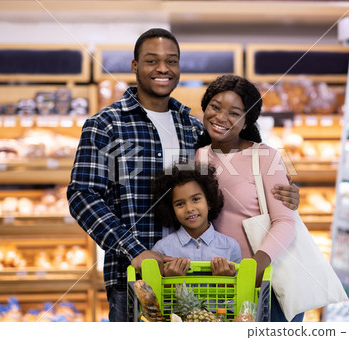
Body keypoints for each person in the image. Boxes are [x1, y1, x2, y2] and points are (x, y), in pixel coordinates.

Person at [67, 28, 299, 322]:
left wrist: (287, 195)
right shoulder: (106, 126)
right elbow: (81, 196)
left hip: (202, 282)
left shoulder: (191, 128)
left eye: (171, 61)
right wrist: (136, 251)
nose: (163, 68)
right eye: (152, 61)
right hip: (139, 281)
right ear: (135, 66)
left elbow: (223, 184)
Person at [195, 74, 304, 322]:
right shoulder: (200, 157)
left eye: (234, 113)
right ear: (205, 108)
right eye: (215, 107)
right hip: (220, 284)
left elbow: (286, 222)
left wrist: (256, 266)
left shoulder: (266, 157)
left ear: (246, 122)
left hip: (268, 281)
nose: (221, 118)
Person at [151, 164, 241, 277]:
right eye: (180, 204)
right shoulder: (161, 249)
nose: (189, 209)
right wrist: (169, 282)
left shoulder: (230, 246)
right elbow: (152, 292)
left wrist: (226, 282)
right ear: (171, 210)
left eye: (196, 199)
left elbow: (239, 292)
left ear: (209, 202)